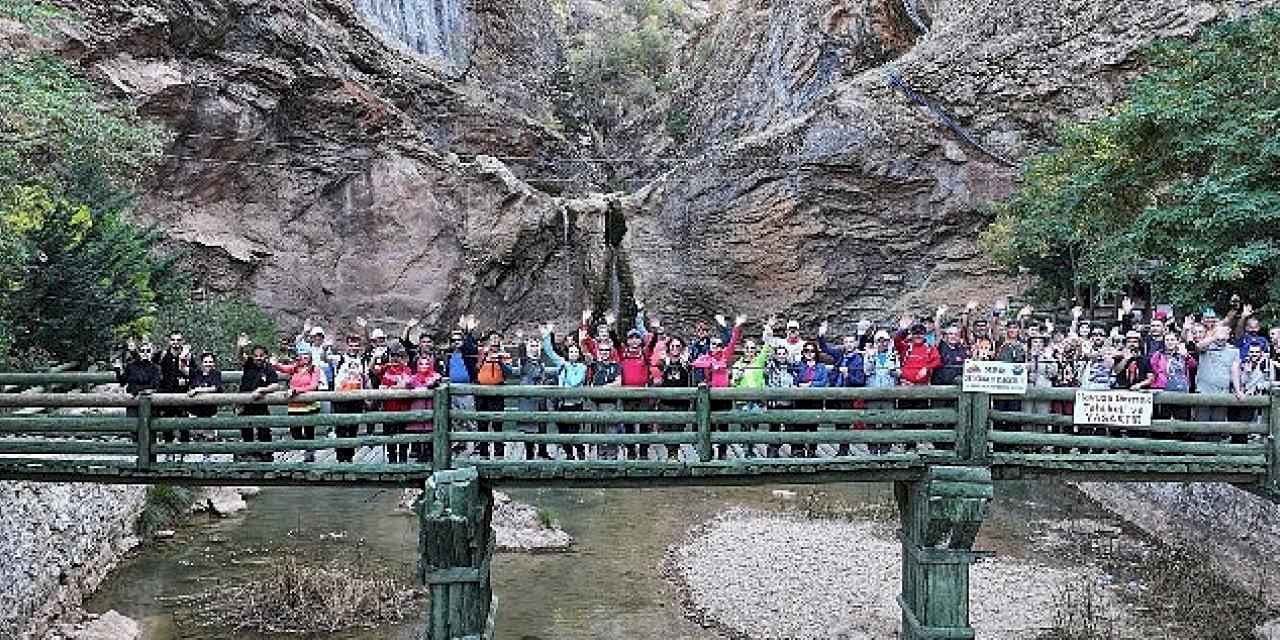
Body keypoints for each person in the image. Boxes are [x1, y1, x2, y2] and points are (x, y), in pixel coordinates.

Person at [691, 314, 745, 459]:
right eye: (714, 344)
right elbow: (693, 364)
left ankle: (722, 451)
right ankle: (708, 451)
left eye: (719, 345)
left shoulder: (725, 357)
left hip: (724, 396)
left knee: (723, 424)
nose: (717, 347)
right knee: (710, 424)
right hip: (711, 396)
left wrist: (737, 326)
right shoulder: (705, 358)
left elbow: (733, 342)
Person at [818, 321, 867, 457]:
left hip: (848, 394)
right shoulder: (840, 355)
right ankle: (842, 448)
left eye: (852, 342)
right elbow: (825, 349)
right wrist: (821, 335)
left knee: (845, 423)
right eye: (846, 342)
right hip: (836, 393)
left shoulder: (858, 359)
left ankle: (844, 449)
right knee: (838, 423)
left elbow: (860, 380)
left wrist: (848, 375)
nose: (849, 344)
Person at [541, 324, 589, 460]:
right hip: (562, 403)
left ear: (578, 354)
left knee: (574, 431)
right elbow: (550, 352)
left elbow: (575, 382)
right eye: (571, 352)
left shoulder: (582, 368)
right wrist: (547, 336)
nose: (573, 354)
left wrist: (565, 369)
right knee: (562, 430)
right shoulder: (563, 363)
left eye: (575, 352)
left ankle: (580, 451)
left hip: (575, 403)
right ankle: (569, 454)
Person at [236, 336, 282, 462]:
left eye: (261, 355)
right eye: (256, 355)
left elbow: (276, 385)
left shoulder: (268, 369)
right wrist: (241, 346)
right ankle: (249, 452)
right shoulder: (249, 364)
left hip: (261, 403)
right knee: (246, 428)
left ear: (266, 356)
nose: (259, 358)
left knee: (264, 428)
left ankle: (266, 453)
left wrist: (262, 390)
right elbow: (240, 357)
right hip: (245, 403)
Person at [275, 350, 324, 462]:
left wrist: (296, 391)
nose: (305, 357)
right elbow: (282, 368)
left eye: (307, 355)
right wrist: (273, 362)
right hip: (294, 406)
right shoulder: (296, 368)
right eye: (303, 355)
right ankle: (305, 449)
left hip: (309, 405)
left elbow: (313, 385)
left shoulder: (314, 369)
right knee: (295, 430)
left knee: (308, 431)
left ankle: (309, 453)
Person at [331, 332, 371, 463]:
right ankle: (340, 457)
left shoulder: (363, 361)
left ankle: (350, 456)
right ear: (347, 346)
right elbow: (324, 358)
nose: (354, 348)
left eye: (356, 346)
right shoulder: (339, 358)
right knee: (341, 427)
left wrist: (368, 396)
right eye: (351, 345)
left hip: (357, 397)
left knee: (353, 428)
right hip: (341, 397)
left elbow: (366, 379)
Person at [1194, 326, 1245, 428]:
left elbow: (1235, 371)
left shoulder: (1233, 350)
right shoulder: (1207, 346)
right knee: (1201, 425)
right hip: (1204, 391)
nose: (1221, 338)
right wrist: (1214, 336)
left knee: (1218, 425)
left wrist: (1238, 390)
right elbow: (1198, 346)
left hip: (1222, 392)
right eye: (1219, 335)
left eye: (1224, 335)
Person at [654, 335, 694, 460]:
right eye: (673, 346)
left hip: (681, 402)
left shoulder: (685, 362)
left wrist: (686, 358)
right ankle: (670, 451)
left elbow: (690, 367)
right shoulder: (664, 362)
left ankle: (673, 454)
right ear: (669, 348)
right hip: (665, 401)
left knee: (678, 429)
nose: (675, 349)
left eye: (678, 346)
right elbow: (656, 368)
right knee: (665, 428)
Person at [475, 330, 513, 459]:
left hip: (497, 390)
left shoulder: (505, 354)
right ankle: (483, 452)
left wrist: (500, 361)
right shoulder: (482, 353)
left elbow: (510, 372)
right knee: (482, 423)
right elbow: (475, 368)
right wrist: (484, 356)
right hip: (481, 390)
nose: (495, 341)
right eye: (492, 338)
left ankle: (498, 452)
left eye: (497, 338)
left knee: (497, 422)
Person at [514, 332, 551, 460]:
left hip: (540, 398)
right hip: (528, 399)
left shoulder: (541, 363)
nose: (534, 348)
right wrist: (521, 340)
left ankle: (542, 450)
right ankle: (529, 453)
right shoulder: (524, 361)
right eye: (532, 346)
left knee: (542, 425)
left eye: (536, 346)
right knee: (529, 426)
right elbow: (522, 352)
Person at [863, 330, 901, 455]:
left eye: (885, 341)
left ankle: (885, 448)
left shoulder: (894, 355)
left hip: (889, 394)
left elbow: (898, 373)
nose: (882, 344)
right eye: (879, 341)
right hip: (872, 393)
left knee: (887, 422)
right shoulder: (869, 354)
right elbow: (866, 371)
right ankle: (872, 448)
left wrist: (894, 372)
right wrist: (871, 357)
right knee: (871, 422)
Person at [792, 341, 830, 458]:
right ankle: (799, 449)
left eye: (812, 351)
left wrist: (810, 385)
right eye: (806, 351)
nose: (809, 353)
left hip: (815, 399)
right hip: (801, 399)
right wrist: (800, 384)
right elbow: (795, 380)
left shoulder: (821, 367)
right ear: (803, 353)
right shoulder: (799, 365)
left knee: (813, 425)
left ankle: (812, 449)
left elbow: (824, 382)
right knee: (800, 425)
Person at [378, 344, 415, 464]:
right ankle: (392, 460)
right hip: (388, 408)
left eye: (397, 355)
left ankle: (403, 460)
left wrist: (389, 387)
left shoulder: (407, 369)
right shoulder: (385, 369)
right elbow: (372, 369)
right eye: (392, 355)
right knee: (390, 436)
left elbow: (407, 384)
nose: (395, 358)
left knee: (404, 436)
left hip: (404, 408)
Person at [186, 352, 224, 457]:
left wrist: (198, 390)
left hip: (210, 411)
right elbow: (183, 369)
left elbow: (214, 388)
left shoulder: (216, 374)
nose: (208, 364)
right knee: (196, 436)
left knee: (210, 438)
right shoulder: (195, 373)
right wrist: (184, 357)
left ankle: (209, 459)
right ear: (201, 363)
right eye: (206, 362)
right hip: (195, 411)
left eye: (210, 362)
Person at [157, 332, 192, 445]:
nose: (175, 343)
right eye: (173, 340)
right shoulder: (162, 356)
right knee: (167, 424)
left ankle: (185, 451)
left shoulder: (188, 356)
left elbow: (194, 373)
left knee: (184, 424)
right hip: (166, 395)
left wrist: (186, 380)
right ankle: (168, 450)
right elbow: (149, 364)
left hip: (183, 396)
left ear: (182, 341)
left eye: (178, 340)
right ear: (169, 341)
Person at [406, 354, 442, 463]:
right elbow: (406, 385)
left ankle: (431, 456)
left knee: (431, 434)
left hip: (431, 408)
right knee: (418, 434)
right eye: (421, 363)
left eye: (427, 363)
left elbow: (437, 383)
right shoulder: (413, 378)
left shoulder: (435, 376)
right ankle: (419, 456)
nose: (424, 366)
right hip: (417, 408)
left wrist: (432, 384)